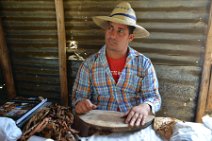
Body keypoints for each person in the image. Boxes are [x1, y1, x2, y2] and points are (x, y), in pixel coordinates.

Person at [72, 1, 161, 127]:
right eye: (110, 28)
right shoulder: (89, 65)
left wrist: (145, 107)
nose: (112, 35)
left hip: (132, 126)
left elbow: (154, 98)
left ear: (130, 37)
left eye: (120, 31)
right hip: (98, 127)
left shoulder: (144, 64)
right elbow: (78, 98)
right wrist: (80, 104)